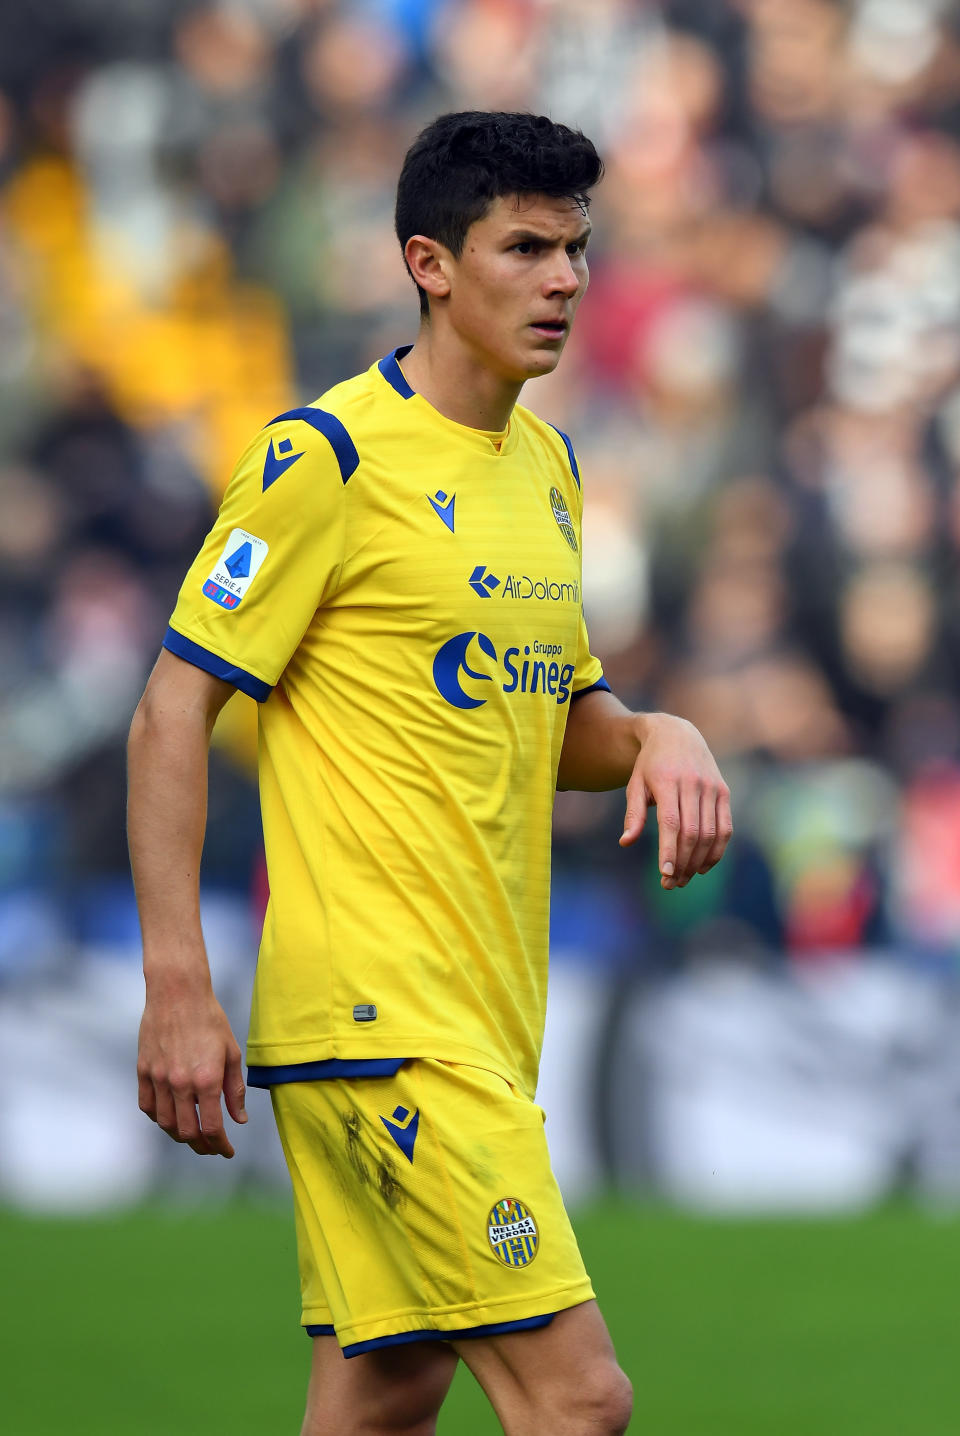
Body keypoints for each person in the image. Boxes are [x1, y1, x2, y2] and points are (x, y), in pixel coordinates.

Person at [128, 110, 732, 1436]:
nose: (565, 278)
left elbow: (554, 718)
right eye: (524, 247)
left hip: (479, 1017)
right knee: (579, 1401)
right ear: (430, 264)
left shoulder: (551, 471)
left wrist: (655, 732)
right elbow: (174, 708)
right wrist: (179, 984)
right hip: (378, 1018)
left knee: (386, 1397)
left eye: (576, 247)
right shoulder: (326, 459)